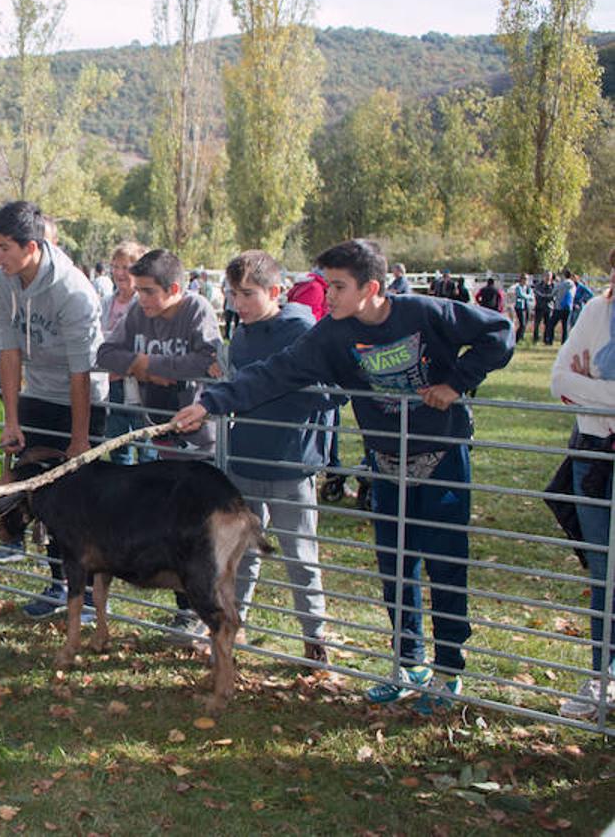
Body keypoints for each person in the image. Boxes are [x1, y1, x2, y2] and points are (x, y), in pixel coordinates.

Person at [173, 239, 514, 713]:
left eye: (337, 286)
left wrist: (456, 382)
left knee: (445, 566)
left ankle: (448, 670)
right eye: (326, 284)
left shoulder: (424, 313)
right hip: (385, 463)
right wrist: (211, 402)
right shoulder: (332, 334)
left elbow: (498, 331)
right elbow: (277, 371)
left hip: (442, 457)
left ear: (371, 287)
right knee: (396, 569)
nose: (326, 295)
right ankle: (408, 663)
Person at [0, 200, 107, 619]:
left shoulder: (74, 291)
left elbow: (82, 372)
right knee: (46, 500)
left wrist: (79, 438)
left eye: (4, 247)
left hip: (83, 400)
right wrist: (12, 418)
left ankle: (88, 595)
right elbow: (8, 349)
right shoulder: (2, 282)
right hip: (37, 393)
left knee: (81, 502)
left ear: (31, 246)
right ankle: (59, 586)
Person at [214, 250, 335, 662]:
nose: (239, 304)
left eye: (247, 294)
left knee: (300, 554)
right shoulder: (242, 332)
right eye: (233, 294)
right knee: (241, 554)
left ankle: (315, 638)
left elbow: (325, 395)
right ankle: (232, 628)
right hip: (245, 463)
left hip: (290, 465)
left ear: (274, 291)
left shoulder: (301, 329)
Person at [96, 247, 220, 641]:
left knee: (200, 533)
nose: (142, 298)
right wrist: (142, 366)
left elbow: (211, 362)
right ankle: (186, 611)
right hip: (161, 436)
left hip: (201, 442)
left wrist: (156, 367)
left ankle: (208, 610)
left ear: (175, 288)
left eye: (149, 291)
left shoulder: (197, 311)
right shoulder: (137, 312)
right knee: (172, 531)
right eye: (139, 290)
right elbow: (105, 353)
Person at [549, 247, 615, 719]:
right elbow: (557, 380)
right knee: (603, 574)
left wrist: (588, 385)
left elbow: (575, 384)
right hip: (593, 457)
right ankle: (602, 679)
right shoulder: (597, 309)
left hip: (596, 435)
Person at [100, 241, 151, 465]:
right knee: (117, 444)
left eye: (126, 267)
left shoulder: (146, 305)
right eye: (116, 266)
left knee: (147, 444)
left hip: (139, 385)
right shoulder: (105, 302)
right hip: (110, 384)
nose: (120, 273)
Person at [550, 270, 575, 345]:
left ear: (564, 275)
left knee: (551, 324)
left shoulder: (560, 284)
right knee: (565, 325)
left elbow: (553, 293)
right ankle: (564, 342)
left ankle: (549, 340)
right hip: (568, 307)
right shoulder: (573, 284)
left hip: (559, 307)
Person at [511, 273, 534, 342]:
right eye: (524, 279)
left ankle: (521, 337)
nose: (525, 280)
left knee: (526, 323)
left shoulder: (528, 288)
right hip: (519, 307)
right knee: (522, 324)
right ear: (521, 279)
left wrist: (528, 296)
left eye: (527, 279)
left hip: (527, 307)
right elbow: (521, 295)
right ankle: (516, 339)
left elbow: (531, 296)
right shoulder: (518, 287)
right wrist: (528, 296)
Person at [534, 271, 555, 343]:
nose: (548, 277)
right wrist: (548, 296)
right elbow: (538, 294)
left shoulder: (554, 286)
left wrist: (547, 297)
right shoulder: (538, 285)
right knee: (537, 324)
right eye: (546, 275)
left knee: (548, 324)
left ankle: (546, 339)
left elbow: (554, 296)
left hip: (549, 308)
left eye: (549, 275)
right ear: (543, 276)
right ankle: (535, 339)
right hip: (539, 307)